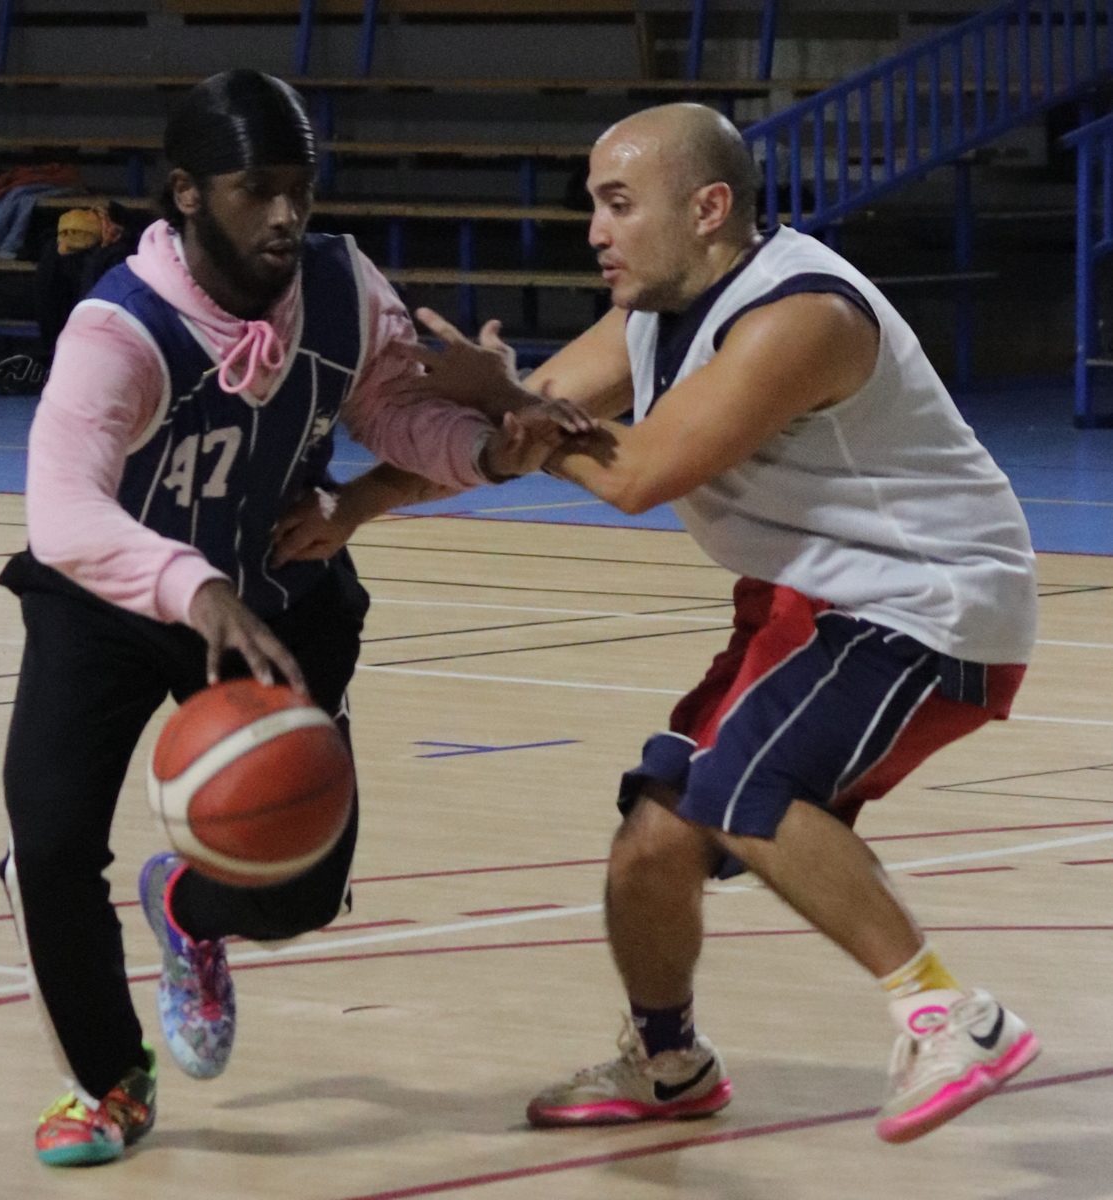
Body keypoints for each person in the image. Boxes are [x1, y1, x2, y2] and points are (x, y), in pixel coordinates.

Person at [280, 103, 1041, 1144]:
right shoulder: (651, 310)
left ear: (709, 207)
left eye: (619, 204)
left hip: (930, 602)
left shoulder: (801, 314)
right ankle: (667, 1063)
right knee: (654, 839)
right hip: (811, 603)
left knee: (741, 788)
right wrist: (358, 501)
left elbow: (634, 474)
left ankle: (952, 1017)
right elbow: (520, 426)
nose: (596, 230)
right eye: (593, 205)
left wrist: (506, 399)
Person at [0, 69, 580, 1168]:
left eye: (300, 190)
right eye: (255, 189)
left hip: (274, 599)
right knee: (51, 843)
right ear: (186, 193)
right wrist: (193, 584)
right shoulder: (117, 331)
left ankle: (190, 909)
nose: (284, 215)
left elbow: (391, 413)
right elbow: (61, 511)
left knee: (302, 883)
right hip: (113, 599)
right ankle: (110, 1080)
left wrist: (489, 450)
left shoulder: (341, 283)